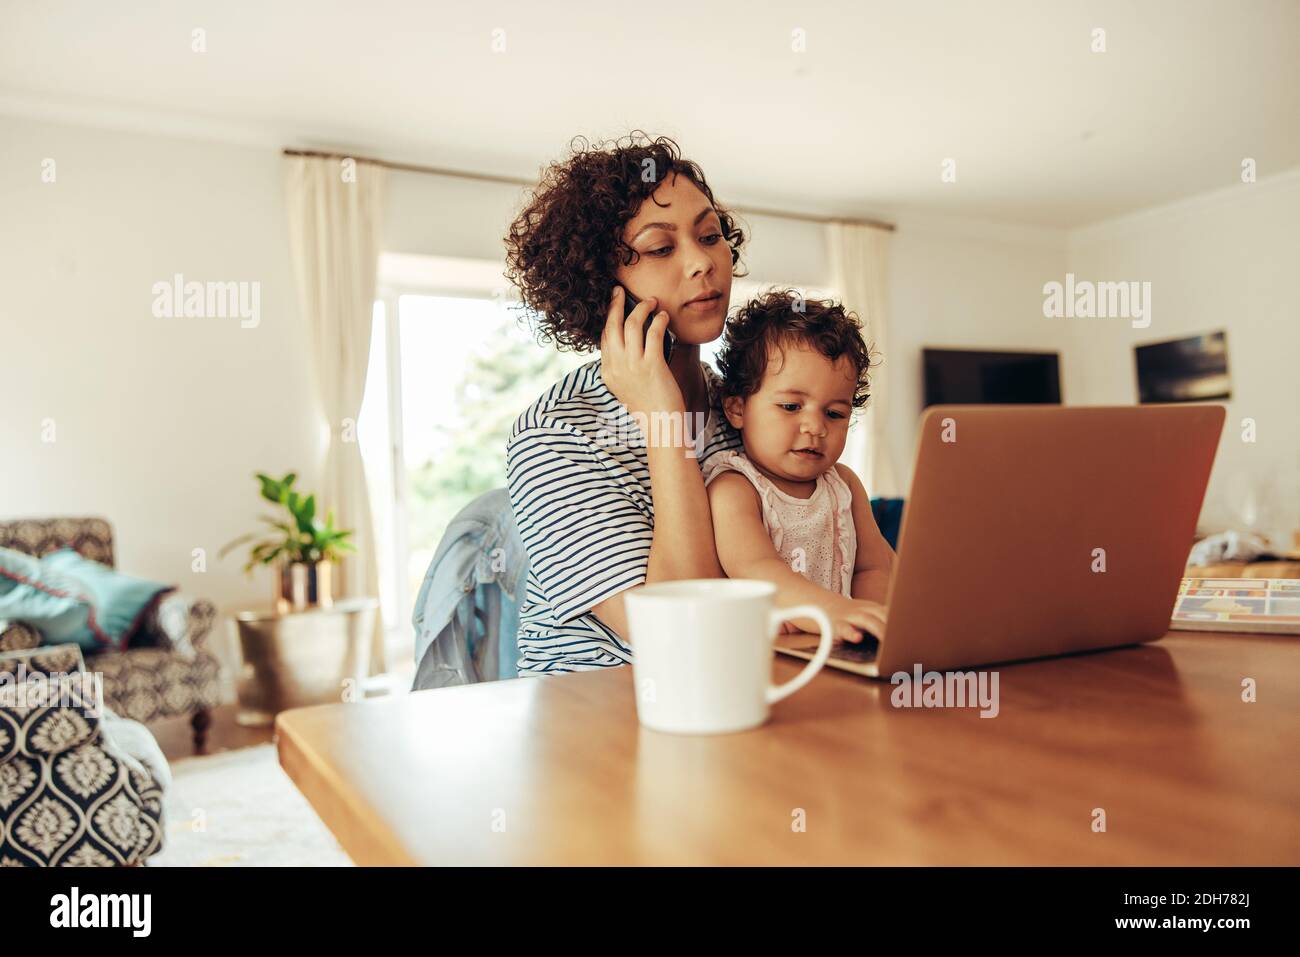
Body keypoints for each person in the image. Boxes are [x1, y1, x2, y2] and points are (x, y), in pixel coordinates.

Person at [706, 290, 894, 645]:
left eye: (834, 413)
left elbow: (874, 566)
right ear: (737, 409)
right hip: (772, 657)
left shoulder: (845, 486)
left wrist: (867, 623)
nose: (816, 427)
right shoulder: (735, 488)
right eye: (792, 407)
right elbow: (756, 570)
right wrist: (835, 611)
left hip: (838, 647)